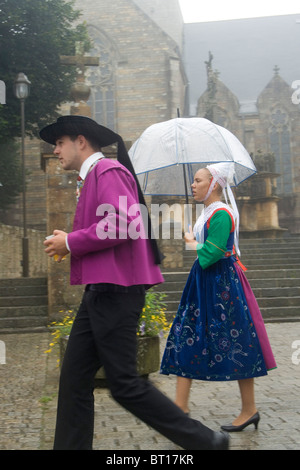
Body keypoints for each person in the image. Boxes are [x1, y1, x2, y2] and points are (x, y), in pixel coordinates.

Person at [40, 115, 229, 450]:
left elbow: (125, 222)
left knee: (125, 384)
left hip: (116, 292)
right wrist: (71, 243)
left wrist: (71, 242)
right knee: (72, 381)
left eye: (59, 142)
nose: (55, 150)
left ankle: (206, 442)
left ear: (80, 141)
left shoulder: (108, 171)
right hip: (100, 291)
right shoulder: (96, 176)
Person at [161, 163, 277, 432]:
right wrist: (195, 241)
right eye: (193, 180)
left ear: (214, 184)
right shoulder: (208, 212)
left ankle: (249, 409)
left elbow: (211, 254)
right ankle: (180, 406)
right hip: (203, 282)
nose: (193, 185)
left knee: (238, 341)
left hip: (222, 286)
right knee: (184, 332)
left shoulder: (222, 213)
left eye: (198, 180)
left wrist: (192, 243)